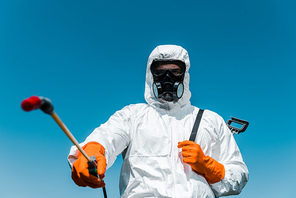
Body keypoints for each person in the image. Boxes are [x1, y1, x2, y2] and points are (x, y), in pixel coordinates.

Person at [68, 45, 249, 197]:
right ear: (151, 75)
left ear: (185, 75)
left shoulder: (210, 120)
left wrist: (210, 167)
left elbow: (239, 174)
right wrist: (92, 151)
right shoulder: (132, 115)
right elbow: (107, 136)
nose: (167, 78)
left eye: (175, 71)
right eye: (160, 72)